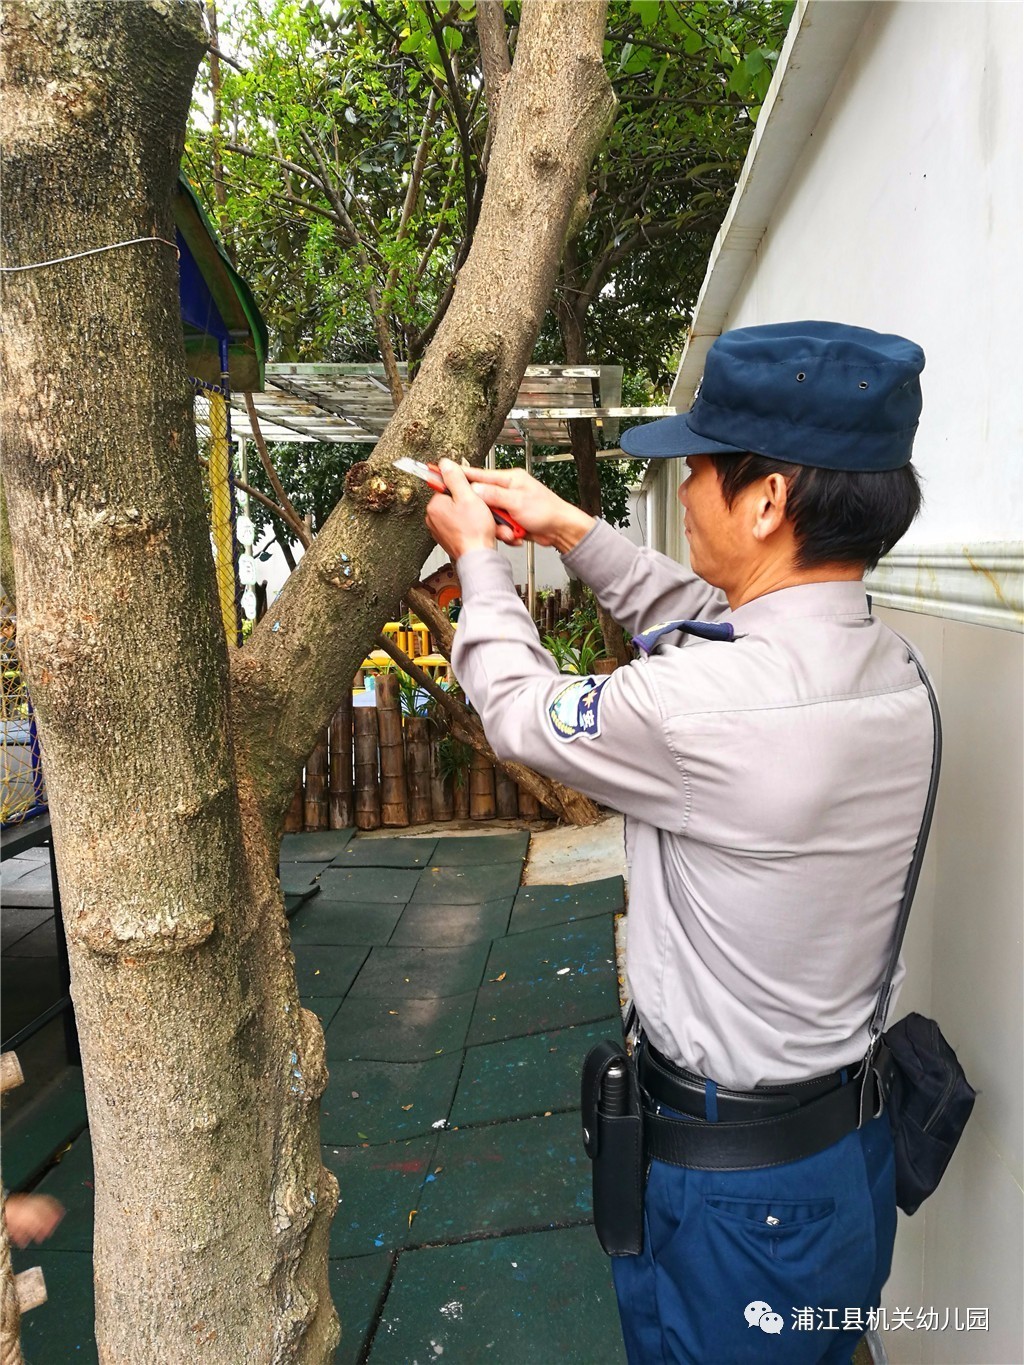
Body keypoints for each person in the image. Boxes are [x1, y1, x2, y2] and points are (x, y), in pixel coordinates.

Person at [423, 321, 932, 1365]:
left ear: (766, 500)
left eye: (695, 468)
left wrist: (478, 564)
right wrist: (570, 530)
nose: (684, 488)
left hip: (733, 1202)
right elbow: (724, 618)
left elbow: (520, 710)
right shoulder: (893, 669)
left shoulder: (707, 710)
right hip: (838, 1160)